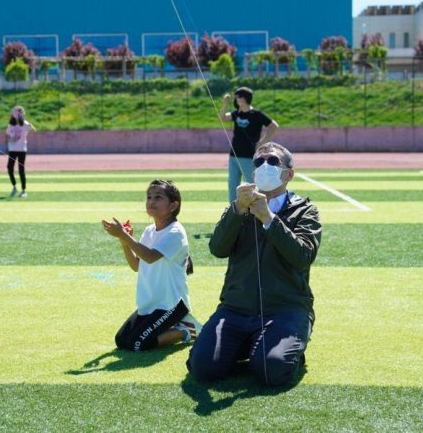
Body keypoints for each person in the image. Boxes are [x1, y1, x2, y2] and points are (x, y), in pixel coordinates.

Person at [187, 142, 321, 387]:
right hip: (236, 309)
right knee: (203, 368)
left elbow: (303, 256)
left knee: (271, 372)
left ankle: (283, 344)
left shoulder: (305, 211)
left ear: (289, 173)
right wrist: (237, 210)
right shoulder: (239, 207)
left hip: (285, 309)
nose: (264, 165)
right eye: (259, 162)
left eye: (273, 161)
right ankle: (253, 344)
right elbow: (217, 249)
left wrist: (269, 220)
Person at [101, 180, 201, 351]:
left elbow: (150, 256)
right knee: (121, 341)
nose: (151, 201)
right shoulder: (149, 231)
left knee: (137, 344)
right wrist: (124, 241)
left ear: (173, 205)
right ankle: (173, 326)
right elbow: (136, 265)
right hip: (150, 304)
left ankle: (186, 329)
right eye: (149, 197)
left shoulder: (175, 232)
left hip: (172, 305)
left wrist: (125, 237)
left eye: (158, 197)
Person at [219, 86, 279, 203]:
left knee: (252, 185)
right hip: (234, 155)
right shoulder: (236, 113)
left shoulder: (256, 114)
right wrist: (225, 104)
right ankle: (233, 210)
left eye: (239, 96)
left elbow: (274, 126)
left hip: (248, 156)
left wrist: (262, 142)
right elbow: (222, 118)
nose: (236, 99)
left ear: (245, 98)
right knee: (233, 185)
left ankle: (257, 209)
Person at [6, 105, 35, 198]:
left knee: (21, 169)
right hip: (12, 149)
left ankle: (23, 190)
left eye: (19, 112)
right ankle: (14, 187)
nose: (17, 114)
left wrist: (30, 126)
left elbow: (34, 129)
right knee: (9, 167)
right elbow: (7, 136)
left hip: (22, 149)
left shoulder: (25, 124)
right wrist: (11, 139)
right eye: (15, 112)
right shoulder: (10, 125)